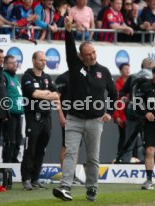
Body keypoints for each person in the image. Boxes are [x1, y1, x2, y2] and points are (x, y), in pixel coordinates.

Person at [52, 15, 117, 201]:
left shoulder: (104, 72)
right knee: (71, 152)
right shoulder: (75, 66)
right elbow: (69, 49)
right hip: (74, 119)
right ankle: (65, 187)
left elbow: (114, 95)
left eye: (94, 52)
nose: (92, 56)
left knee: (93, 157)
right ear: (81, 56)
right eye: (88, 54)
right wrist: (68, 30)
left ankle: (92, 188)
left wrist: (110, 112)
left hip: (95, 121)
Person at [20, 51, 59, 190]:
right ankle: (26, 179)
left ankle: (35, 178)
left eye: (45, 60)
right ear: (33, 61)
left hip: (46, 117)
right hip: (33, 117)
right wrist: (46, 94)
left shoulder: (47, 77)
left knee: (41, 149)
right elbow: (34, 94)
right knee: (30, 148)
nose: (44, 62)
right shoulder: (27, 76)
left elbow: (56, 94)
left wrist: (45, 95)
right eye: (41, 60)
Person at [2, 55, 24, 163]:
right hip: (9, 114)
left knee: (18, 139)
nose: (14, 65)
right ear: (5, 65)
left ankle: (14, 161)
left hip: (18, 113)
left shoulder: (15, 77)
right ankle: (8, 163)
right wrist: (5, 113)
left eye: (15, 62)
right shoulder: (4, 76)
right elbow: (2, 95)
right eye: (11, 63)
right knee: (11, 140)